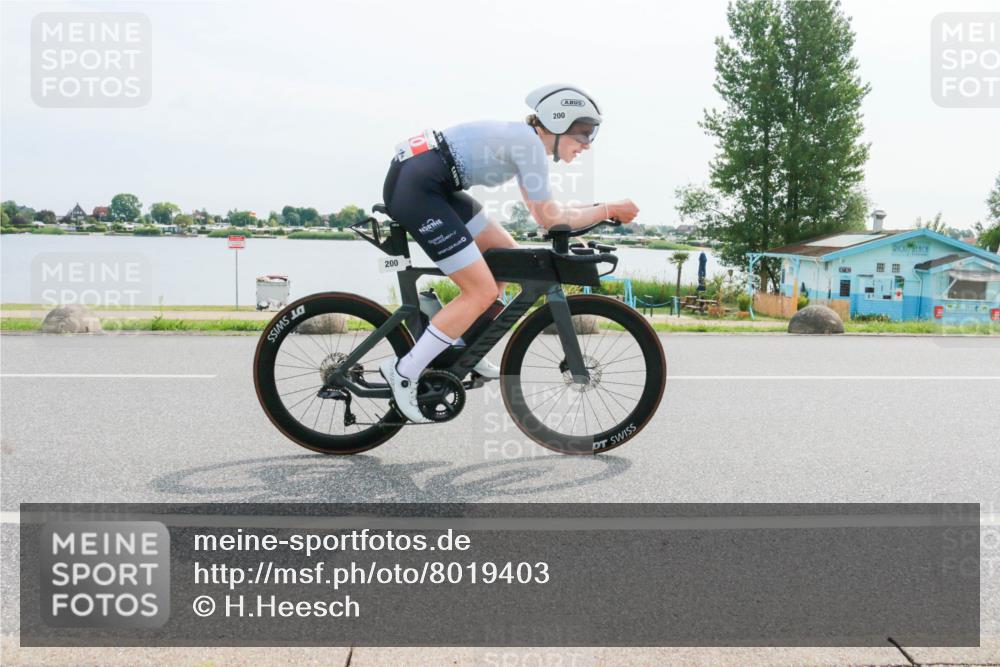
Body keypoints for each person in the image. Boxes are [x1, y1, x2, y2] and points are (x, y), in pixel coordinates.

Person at [379, 83, 639, 423]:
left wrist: (598, 212)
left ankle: (461, 349)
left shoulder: (526, 144)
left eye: (592, 135)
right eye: (584, 133)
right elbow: (550, 218)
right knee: (481, 290)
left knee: (508, 261)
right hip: (419, 186)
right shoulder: (528, 145)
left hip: (431, 180)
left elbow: (550, 213)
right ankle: (404, 371)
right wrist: (606, 209)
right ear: (557, 122)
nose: (587, 145)